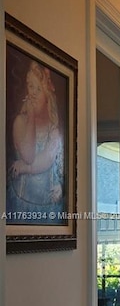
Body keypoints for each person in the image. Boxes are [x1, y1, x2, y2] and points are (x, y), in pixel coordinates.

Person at [7, 61, 64, 221]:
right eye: (30, 86)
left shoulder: (53, 129)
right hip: (22, 202)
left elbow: (47, 160)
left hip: (48, 206)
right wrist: (30, 116)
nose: (32, 93)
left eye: (38, 89)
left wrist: (61, 187)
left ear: (47, 96)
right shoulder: (20, 122)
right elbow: (28, 156)